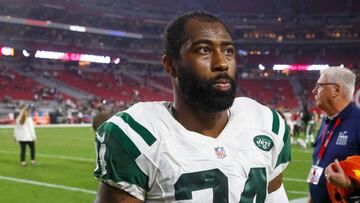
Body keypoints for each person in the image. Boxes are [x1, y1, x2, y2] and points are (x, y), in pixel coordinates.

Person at [93, 11, 291, 203]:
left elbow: (274, 196)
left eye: (228, 51)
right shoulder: (139, 135)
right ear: (171, 65)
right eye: (204, 50)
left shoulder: (266, 123)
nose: (222, 63)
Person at [307, 66, 360, 203]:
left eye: (319, 86)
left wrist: (350, 185)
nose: (314, 91)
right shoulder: (326, 120)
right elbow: (317, 163)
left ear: (336, 90)